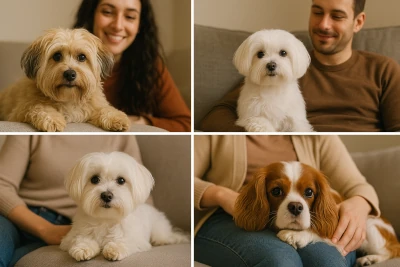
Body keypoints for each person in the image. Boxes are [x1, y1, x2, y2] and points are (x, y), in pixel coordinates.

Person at [199, 0, 400, 132]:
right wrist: (259, 132)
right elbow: (216, 115)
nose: (324, 25)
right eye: (317, 12)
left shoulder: (383, 69)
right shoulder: (271, 75)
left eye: (337, 16)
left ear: (358, 22)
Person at [194, 135, 380, 267]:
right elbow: (182, 178)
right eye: (276, 190)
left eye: (307, 192)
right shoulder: (216, 130)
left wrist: (359, 204)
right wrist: (222, 195)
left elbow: (358, 186)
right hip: (229, 218)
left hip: (307, 227)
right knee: (280, 260)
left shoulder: (317, 133)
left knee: (326, 261)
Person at [0, 135, 141, 266]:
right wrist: (45, 229)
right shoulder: (33, 127)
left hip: (70, 226)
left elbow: (139, 193)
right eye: (95, 180)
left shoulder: (120, 131)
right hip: (13, 216)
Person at [74, 0, 191, 132]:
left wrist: (143, 121)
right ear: (92, 15)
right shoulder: (59, 67)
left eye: (130, 17)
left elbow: (186, 124)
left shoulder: (151, 67)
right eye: (107, 12)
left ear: (139, 24)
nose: (118, 26)